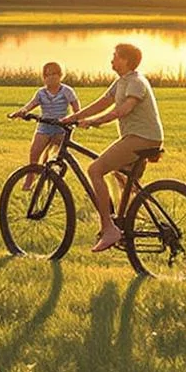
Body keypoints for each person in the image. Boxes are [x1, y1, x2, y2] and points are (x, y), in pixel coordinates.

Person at [68, 42, 164, 254]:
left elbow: (123, 110)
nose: (112, 59)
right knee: (122, 180)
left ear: (126, 60)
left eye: (115, 56)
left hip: (142, 139)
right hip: (140, 138)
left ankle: (108, 228)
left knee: (95, 170)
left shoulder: (136, 82)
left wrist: (95, 122)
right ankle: (125, 226)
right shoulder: (121, 82)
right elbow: (102, 102)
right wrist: (72, 118)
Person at [11, 60, 79, 166]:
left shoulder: (66, 91)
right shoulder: (41, 92)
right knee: (34, 157)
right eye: (47, 75)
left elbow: (76, 108)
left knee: (60, 158)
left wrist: (77, 119)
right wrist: (22, 111)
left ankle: (55, 178)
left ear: (60, 75)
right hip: (44, 127)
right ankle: (29, 181)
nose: (51, 77)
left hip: (61, 128)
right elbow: (31, 104)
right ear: (44, 77)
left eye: (54, 74)